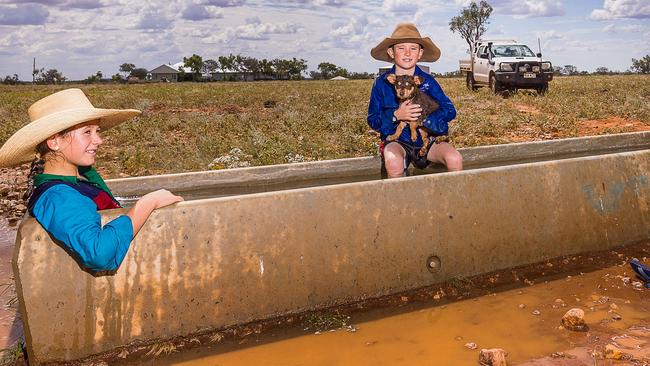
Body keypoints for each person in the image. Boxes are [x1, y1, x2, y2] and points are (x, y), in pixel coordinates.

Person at [0, 88, 183, 273]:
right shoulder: (59, 196)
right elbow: (99, 254)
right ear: (54, 142)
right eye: (87, 132)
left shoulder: (82, 175)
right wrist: (147, 203)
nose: (99, 140)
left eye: (98, 131)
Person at [368, 23, 463, 178]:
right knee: (393, 161)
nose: (407, 53)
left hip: (428, 140)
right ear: (391, 52)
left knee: (454, 158)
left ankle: (454, 201)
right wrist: (396, 115)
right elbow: (373, 120)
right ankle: (397, 200)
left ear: (420, 53)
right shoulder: (381, 83)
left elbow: (450, 111)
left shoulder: (428, 81)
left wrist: (424, 119)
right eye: (401, 48)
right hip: (397, 141)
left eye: (413, 48)